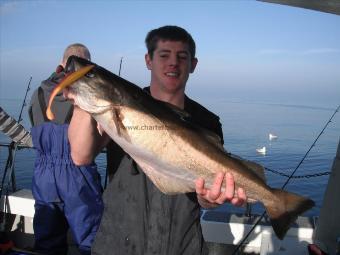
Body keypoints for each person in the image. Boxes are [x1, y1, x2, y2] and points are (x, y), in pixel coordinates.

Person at [66, 26, 247, 255]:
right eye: (164, 55)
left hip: (182, 246)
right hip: (117, 244)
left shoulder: (207, 122)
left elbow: (204, 198)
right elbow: (80, 156)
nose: (173, 63)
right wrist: (83, 91)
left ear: (193, 64)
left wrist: (210, 199)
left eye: (182, 57)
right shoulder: (119, 103)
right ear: (148, 60)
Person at [28, 43, 103, 255]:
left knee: (47, 242)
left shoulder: (38, 93)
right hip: (77, 176)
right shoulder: (86, 94)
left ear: (61, 63)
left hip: (43, 176)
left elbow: (35, 123)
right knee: (90, 240)